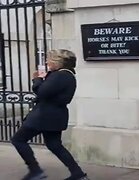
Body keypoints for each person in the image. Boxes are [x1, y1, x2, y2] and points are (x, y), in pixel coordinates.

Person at [11, 49, 88, 180]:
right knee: (54, 145)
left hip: (44, 116)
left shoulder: (61, 75)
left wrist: (36, 79)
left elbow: (42, 92)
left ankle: (35, 170)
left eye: (49, 59)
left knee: (18, 140)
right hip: (55, 116)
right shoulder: (66, 75)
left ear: (58, 62)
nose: (47, 61)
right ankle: (78, 173)